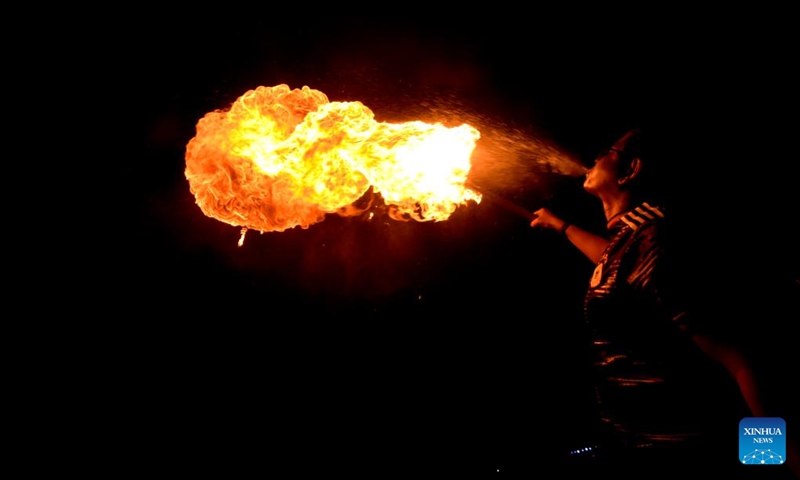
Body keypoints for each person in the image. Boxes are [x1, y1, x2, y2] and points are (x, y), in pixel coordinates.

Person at [529, 128, 799, 478]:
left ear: (631, 170)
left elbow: (741, 360)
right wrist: (561, 226)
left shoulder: (658, 240)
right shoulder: (632, 239)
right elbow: (619, 270)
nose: (594, 158)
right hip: (638, 450)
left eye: (606, 151)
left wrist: (772, 460)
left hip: (683, 459)